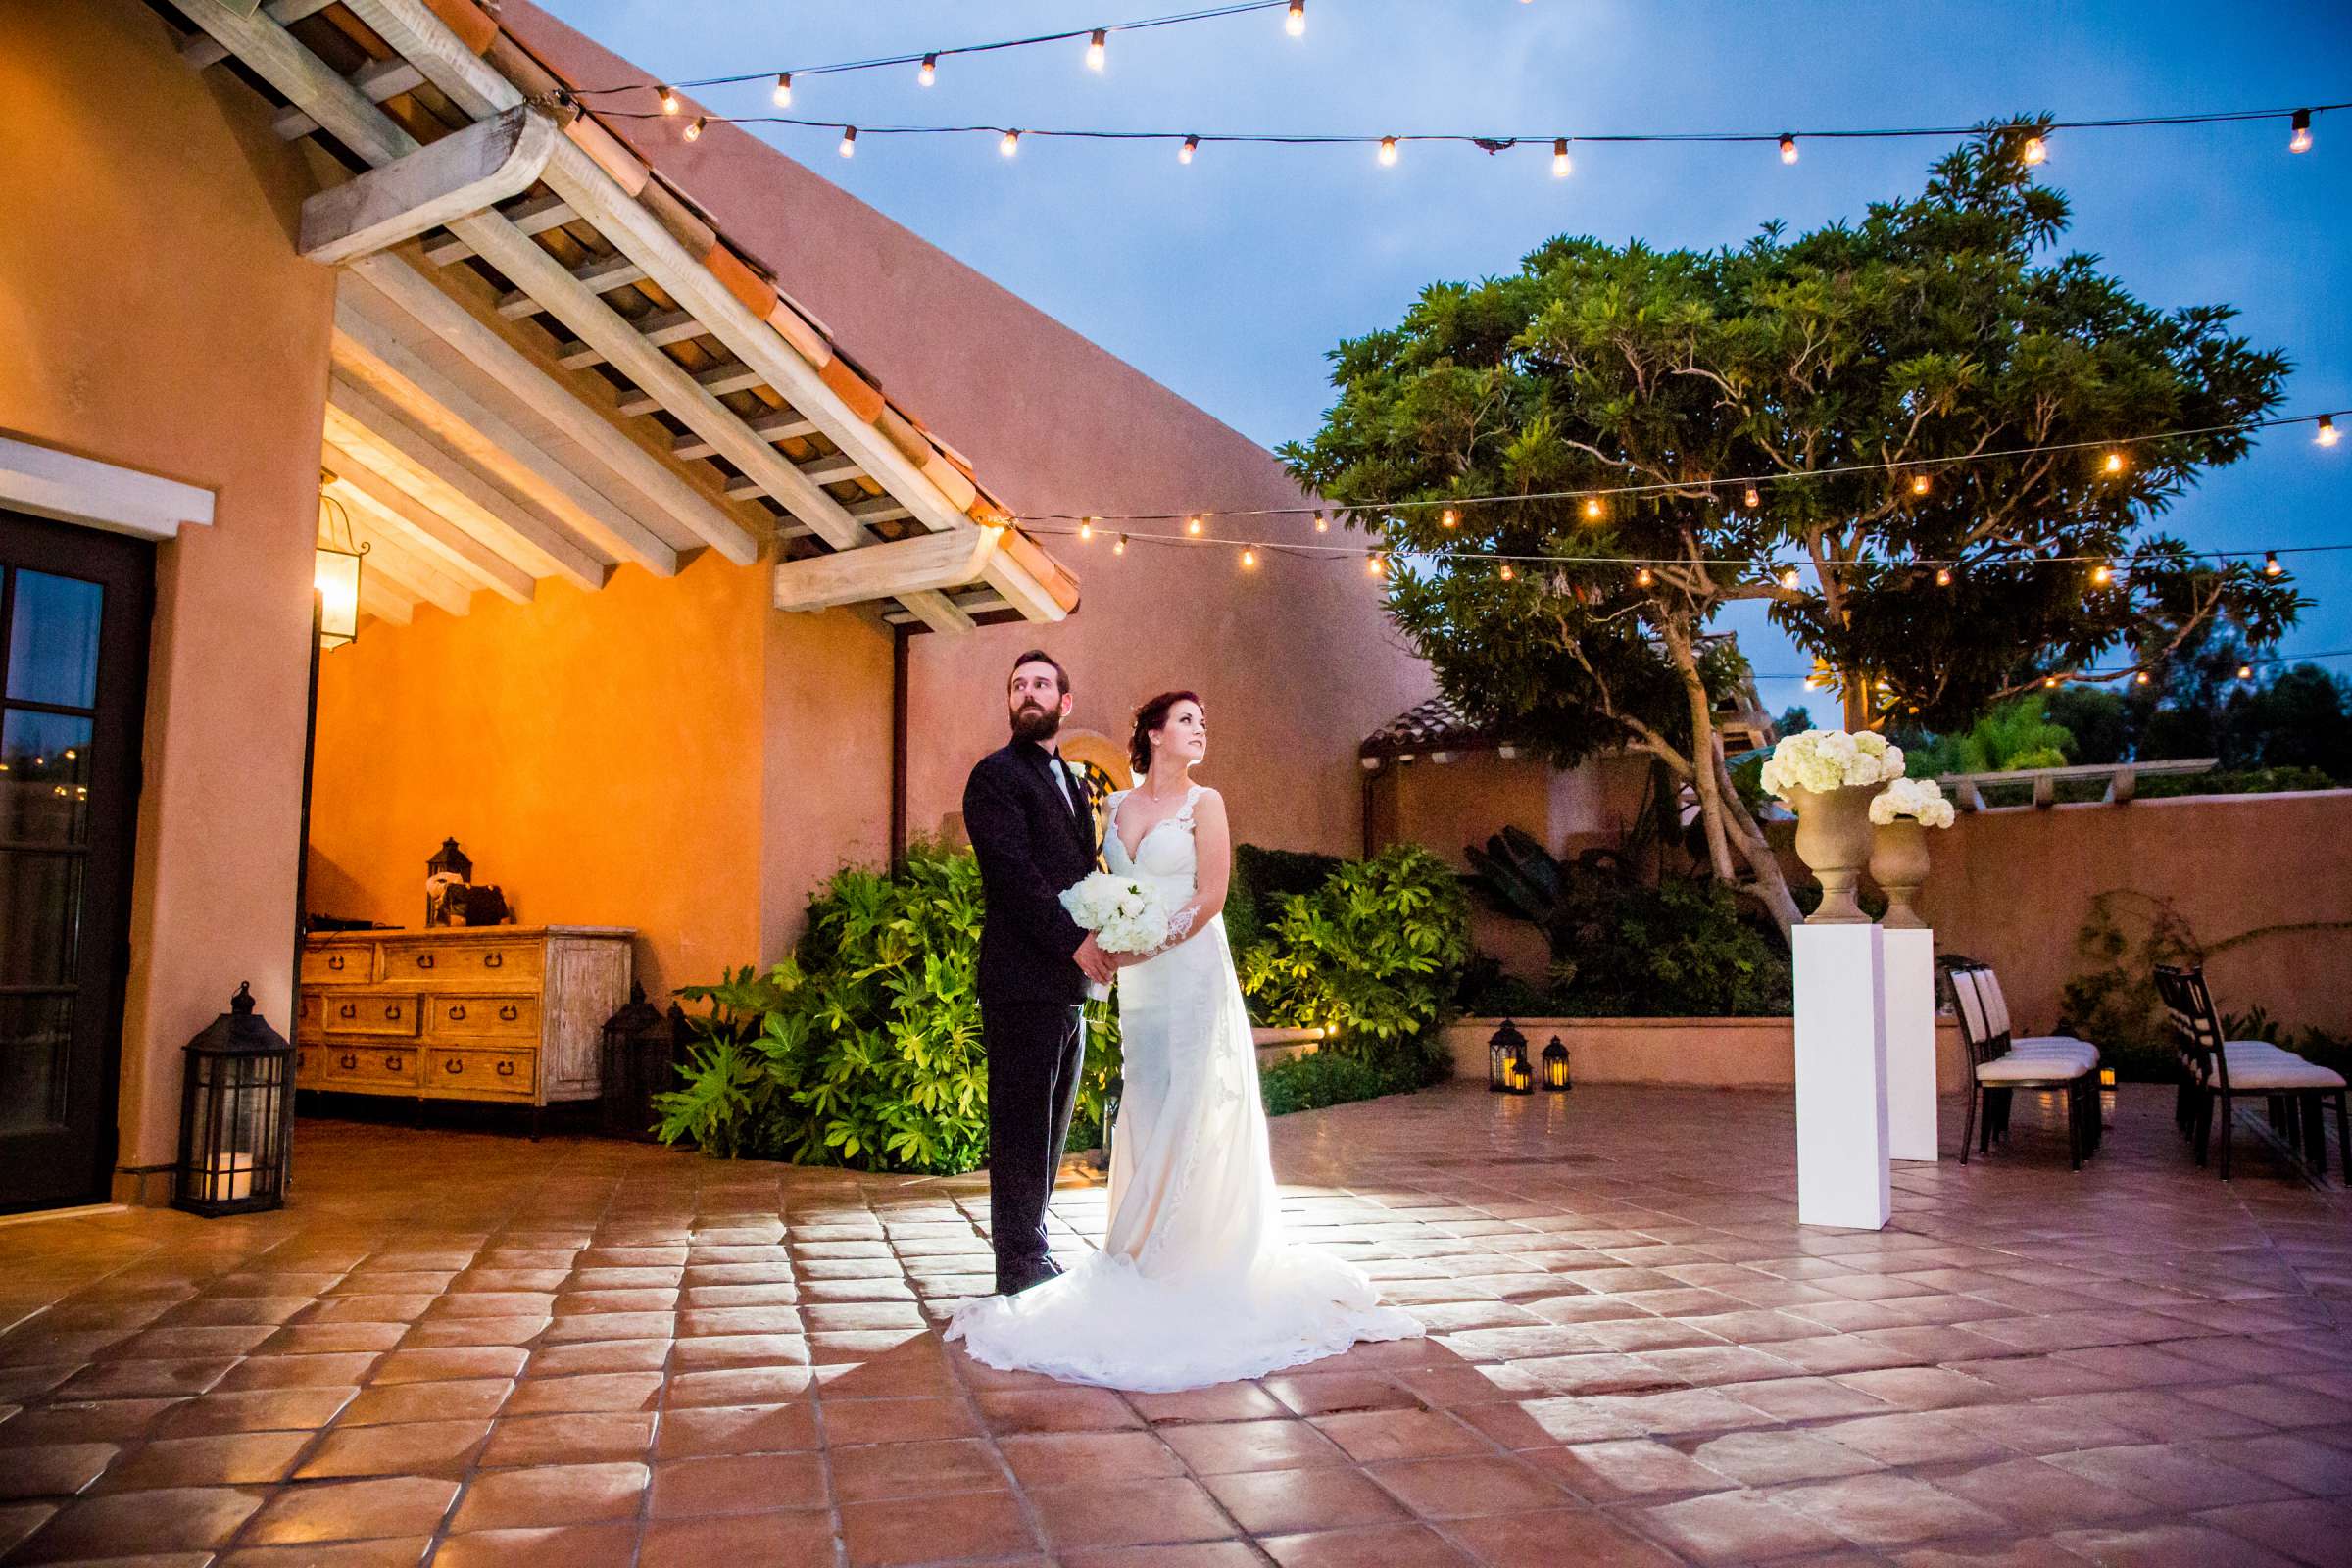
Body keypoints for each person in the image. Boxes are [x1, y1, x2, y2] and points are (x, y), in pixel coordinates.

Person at [950, 690, 1422, 1391]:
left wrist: (1144, 944)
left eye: (1205, 721)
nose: (1200, 730)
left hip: (1191, 968)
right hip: (1140, 986)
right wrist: (1103, 934)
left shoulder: (1208, 805)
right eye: (1187, 720)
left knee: (1196, 1099)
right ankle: (1137, 1247)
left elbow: (1210, 897)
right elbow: (1097, 884)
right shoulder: (1113, 808)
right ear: (1152, 733)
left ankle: (1193, 1252)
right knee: (1147, 1096)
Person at [960, 650, 1115, 1297]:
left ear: (1065, 702)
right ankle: (1016, 1262)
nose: (1029, 693)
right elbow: (1014, 876)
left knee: (1051, 1127)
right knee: (1021, 1125)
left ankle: (1034, 1246)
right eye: (1019, 684)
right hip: (1021, 983)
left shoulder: (1073, 781)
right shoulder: (994, 777)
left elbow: (1078, 876)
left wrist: (1111, 936)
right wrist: (1073, 942)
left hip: (1066, 991)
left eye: (1042, 684)